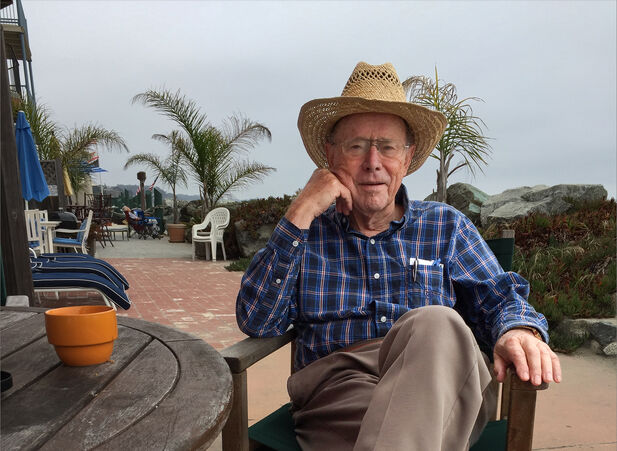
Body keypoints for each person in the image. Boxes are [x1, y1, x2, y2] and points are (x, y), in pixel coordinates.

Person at [236, 62, 562, 450]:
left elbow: (498, 297)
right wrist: (301, 210)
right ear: (330, 156)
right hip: (341, 392)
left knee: (438, 323)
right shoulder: (306, 235)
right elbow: (258, 320)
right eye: (356, 146)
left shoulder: (446, 226)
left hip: (444, 379)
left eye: (387, 147)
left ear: (406, 159)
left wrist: (517, 330)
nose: (373, 161)